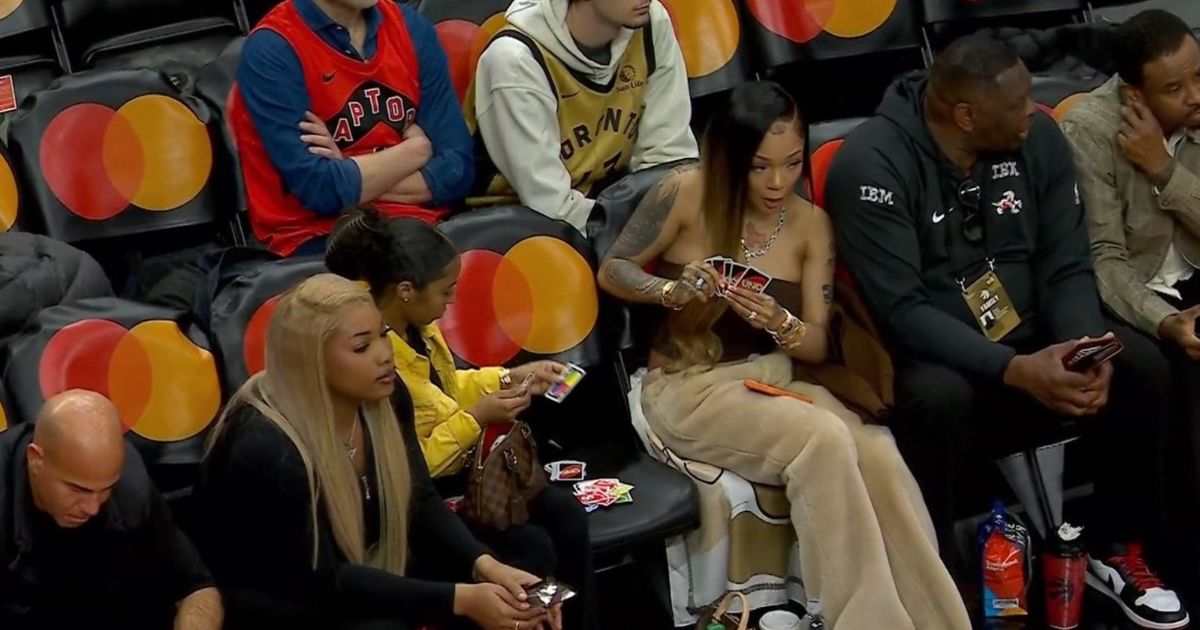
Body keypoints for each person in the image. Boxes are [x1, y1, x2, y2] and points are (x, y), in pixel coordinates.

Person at [826, 34, 1187, 629]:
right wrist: (1015, 370)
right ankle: (937, 577)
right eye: (1016, 104)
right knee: (936, 400)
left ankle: (1115, 549)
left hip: (1037, 337)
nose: (1033, 111)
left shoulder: (1037, 137)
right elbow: (904, 311)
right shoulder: (872, 164)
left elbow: (1067, 262)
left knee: (1140, 368)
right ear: (965, 116)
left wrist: (1079, 348)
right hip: (939, 350)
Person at [596, 80, 970, 630]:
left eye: (792, 164)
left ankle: (940, 619)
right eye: (759, 167)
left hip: (777, 375)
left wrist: (781, 322)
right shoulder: (684, 193)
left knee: (877, 449)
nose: (778, 183)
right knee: (822, 439)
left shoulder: (810, 225)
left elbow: (818, 342)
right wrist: (669, 291)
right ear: (730, 158)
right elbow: (614, 269)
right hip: (688, 383)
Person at [195, 274, 561, 630]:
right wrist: (462, 599)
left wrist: (484, 566)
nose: (385, 355)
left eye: (383, 335)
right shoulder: (265, 447)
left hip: (362, 563)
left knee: (524, 557)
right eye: (361, 347)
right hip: (284, 596)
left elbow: (418, 498)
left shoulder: (386, 393)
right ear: (311, 361)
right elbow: (325, 581)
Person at [325, 209, 596, 630]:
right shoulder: (377, 368)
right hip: (425, 500)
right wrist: (477, 417)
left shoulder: (423, 328)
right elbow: (409, 471)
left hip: (473, 476)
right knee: (533, 548)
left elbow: (447, 388)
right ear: (406, 291)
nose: (452, 302)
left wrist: (511, 377)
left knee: (567, 515)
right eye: (446, 292)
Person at [1060, 7, 1200, 600]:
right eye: (1175, 88)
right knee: (1165, 369)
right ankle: (1162, 551)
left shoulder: (1197, 111)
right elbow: (1105, 260)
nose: (1195, 95)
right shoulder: (1090, 131)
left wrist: (1164, 168)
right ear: (1133, 94)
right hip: (1134, 292)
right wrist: (1165, 323)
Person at [228, 0, 473, 257]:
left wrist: (347, 168)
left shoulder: (410, 28)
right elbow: (321, 190)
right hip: (318, 239)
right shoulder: (273, 49)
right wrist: (416, 151)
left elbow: (458, 170)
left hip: (420, 226)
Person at [464, 0, 698, 232]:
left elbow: (669, 156)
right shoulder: (514, 59)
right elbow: (550, 204)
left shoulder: (650, 23)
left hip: (608, 202)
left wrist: (669, 216)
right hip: (512, 224)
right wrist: (638, 230)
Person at [0, 390, 222, 629]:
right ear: (36, 460)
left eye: (106, 488)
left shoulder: (131, 490)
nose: (93, 508)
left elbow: (197, 588)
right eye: (79, 489)